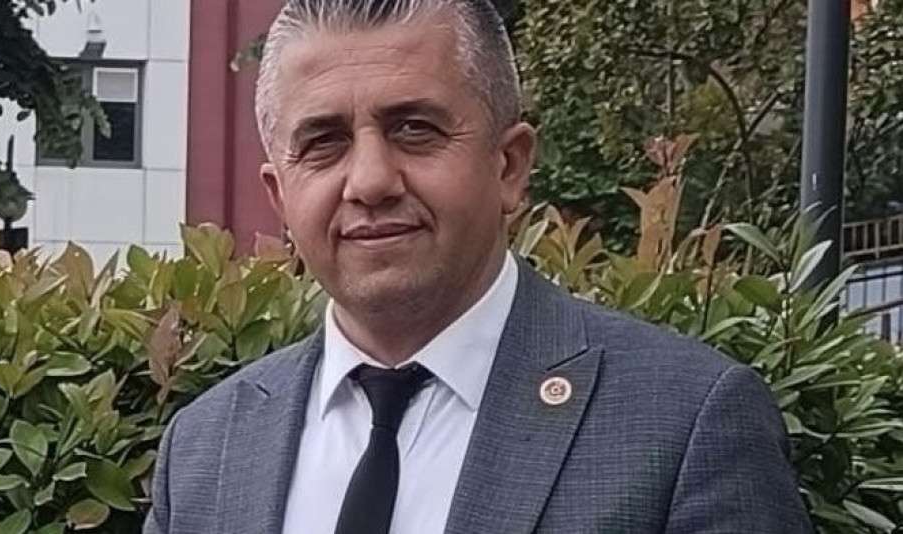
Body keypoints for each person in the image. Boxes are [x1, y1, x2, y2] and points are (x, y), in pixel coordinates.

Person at [144, 1, 813, 532]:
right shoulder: (206, 449)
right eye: (324, 142)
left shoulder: (686, 422)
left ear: (509, 165)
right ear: (279, 196)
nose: (370, 181)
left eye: (415, 129)